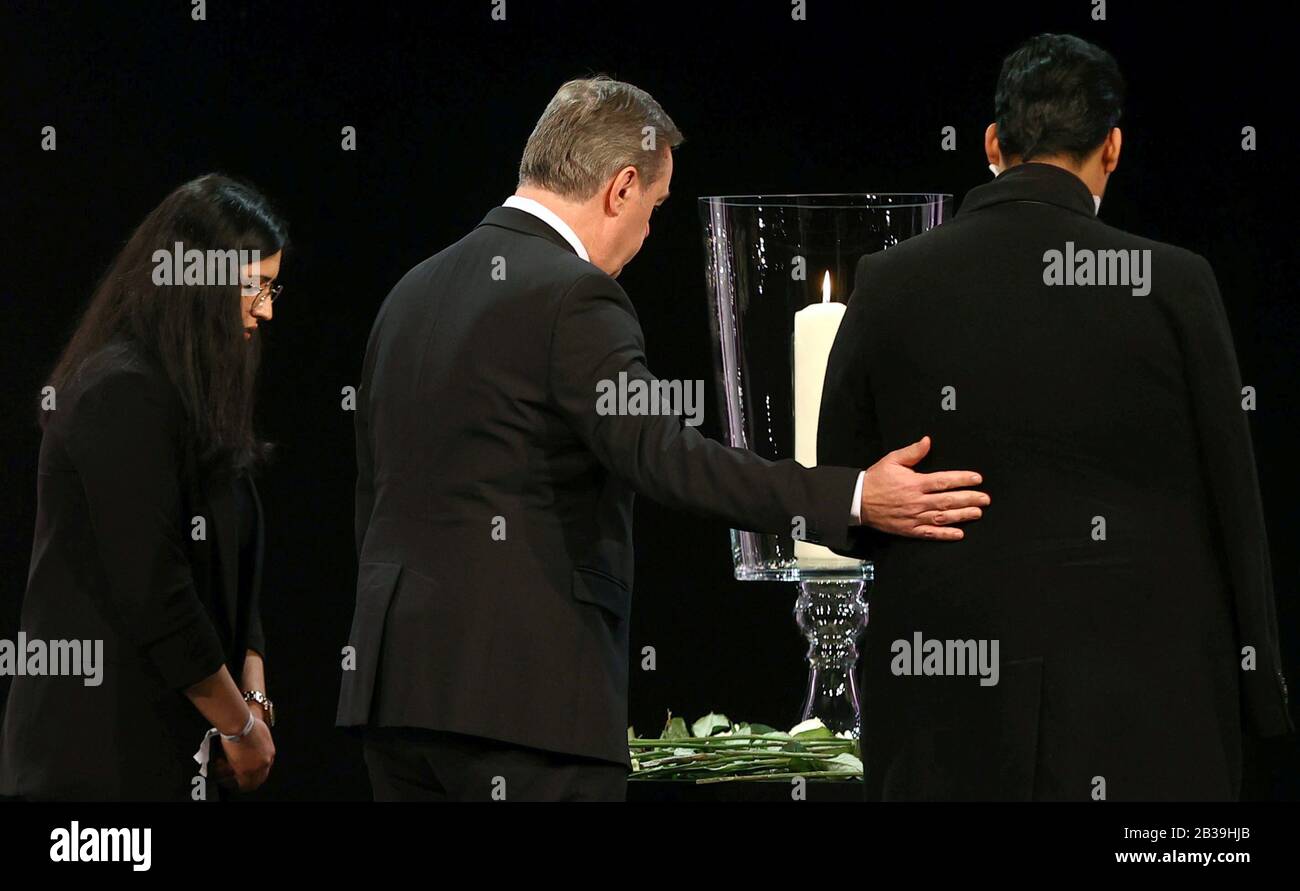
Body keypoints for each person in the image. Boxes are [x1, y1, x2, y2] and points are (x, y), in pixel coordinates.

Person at [338, 76, 989, 801]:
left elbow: (375, 496)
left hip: (392, 698)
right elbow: (666, 456)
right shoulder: (572, 294)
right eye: (654, 209)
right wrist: (856, 494)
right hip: (522, 705)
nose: (648, 235)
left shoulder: (410, 293)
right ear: (620, 187)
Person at [818, 33, 1292, 801]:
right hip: (1151, 722)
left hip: (947, 721)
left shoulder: (890, 280)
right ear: (1112, 147)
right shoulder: (1173, 283)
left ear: (993, 144)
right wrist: (1262, 695)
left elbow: (840, 498)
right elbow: (1237, 503)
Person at [0, 174, 286, 800]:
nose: (265, 309)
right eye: (253, 286)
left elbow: (234, 571)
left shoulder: (192, 402)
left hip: (172, 749)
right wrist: (238, 724)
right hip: (95, 762)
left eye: (272, 286)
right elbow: (154, 588)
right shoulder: (119, 392)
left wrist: (252, 695)